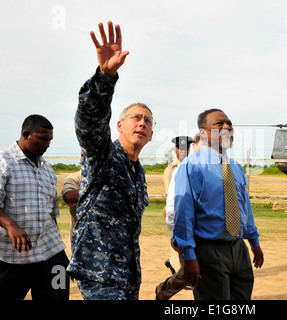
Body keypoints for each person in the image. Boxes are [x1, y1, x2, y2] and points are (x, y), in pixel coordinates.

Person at [66, 21, 154, 300]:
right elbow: (89, 124)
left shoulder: (138, 172)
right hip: (98, 273)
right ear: (119, 125)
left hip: (127, 275)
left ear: (151, 134)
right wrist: (104, 78)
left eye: (147, 120)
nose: (141, 122)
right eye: (136, 117)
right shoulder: (103, 153)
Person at [172, 108, 264, 300]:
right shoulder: (192, 167)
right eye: (219, 124)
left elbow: (245, 207)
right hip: (208, 251)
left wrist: (254, 242)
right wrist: (188, 257)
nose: (227, 127)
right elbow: (184, 215)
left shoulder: (236, 168)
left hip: (239, 249)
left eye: (229, 123)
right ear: (204, 133)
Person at [0, 114, 69, 300]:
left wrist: (61, 254)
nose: (47, 144)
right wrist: (10, 225)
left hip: (52, 253)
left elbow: (52, 213)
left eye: (50, 140)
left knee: (59, 295)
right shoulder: (4, 162)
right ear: (25, 134)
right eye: (43, 138)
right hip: (13, 256)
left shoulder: (47, 168)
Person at [156, 136, 193, 300]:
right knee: (179, 249)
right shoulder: (171, 170)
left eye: (186, 148)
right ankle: (175, 273)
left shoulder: (193, 165)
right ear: (176, 150)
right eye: (180, 148)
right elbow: (170, 197)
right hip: (176, 213)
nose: (183, 151)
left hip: (191, 217)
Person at [62, 151, 83, 250]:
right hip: (82, 243)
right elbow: (68, 196)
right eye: (83, 155)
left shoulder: (113, 176)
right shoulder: (74, 179)